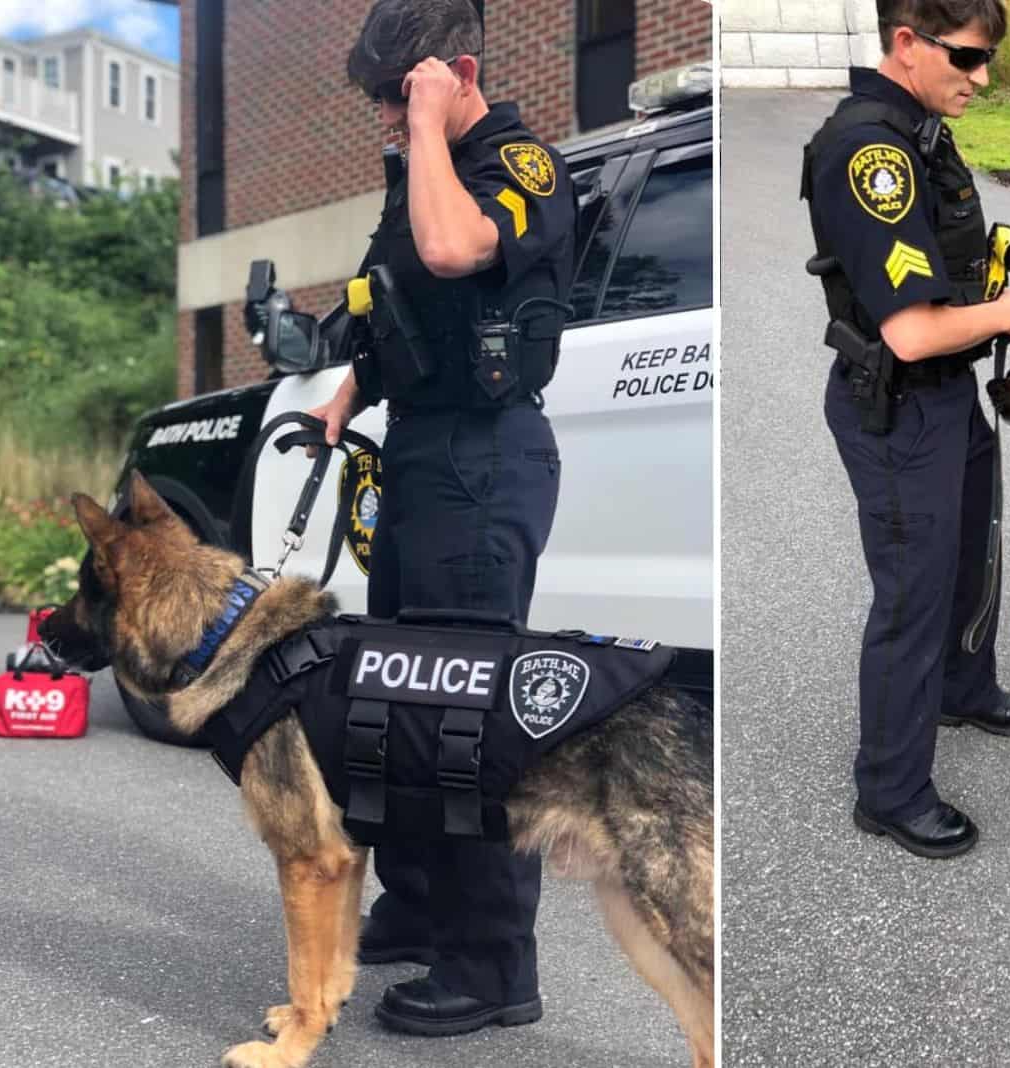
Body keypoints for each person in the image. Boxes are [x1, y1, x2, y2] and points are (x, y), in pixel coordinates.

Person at [307, 0, 574, 1037]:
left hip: (484, 461)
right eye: (381, 96)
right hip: (420, 451)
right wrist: (352, 387)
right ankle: (421, 905)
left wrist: (427, 129)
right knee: (400, 701)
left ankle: (496, 967)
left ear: (457, 70)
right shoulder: (412, 170)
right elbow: (392, 296)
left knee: (466, 717)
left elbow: (455, 251)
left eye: (397, 91)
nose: (385, 111)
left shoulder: (519, 163)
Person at [801, 0, 1010, 860]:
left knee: (974, 546)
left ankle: (963, 686)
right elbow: (909, 330)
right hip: (901, 405)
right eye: (969, 60)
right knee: (913, 594)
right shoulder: (872, 151)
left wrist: (984, 305)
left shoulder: (921, 126)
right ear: (907, 43)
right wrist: (1004, 314)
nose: (981, 79)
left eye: (988, 63)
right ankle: (892, 790)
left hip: (946, 393)